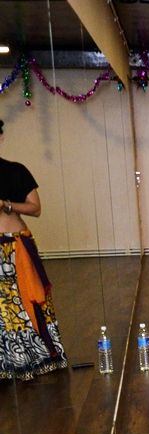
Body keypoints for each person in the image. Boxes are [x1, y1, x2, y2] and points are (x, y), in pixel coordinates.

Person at [0, 119, 67, 380]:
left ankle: (33, 357)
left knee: (24, 299)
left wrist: (6, 205)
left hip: (13, 244)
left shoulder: (15, 171)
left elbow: (35, 208)